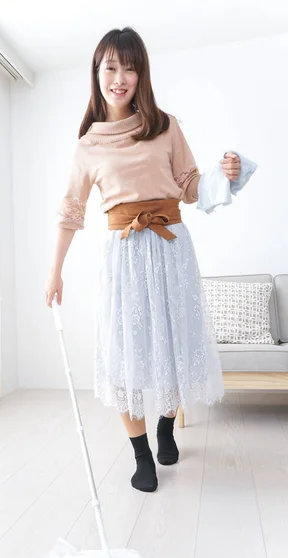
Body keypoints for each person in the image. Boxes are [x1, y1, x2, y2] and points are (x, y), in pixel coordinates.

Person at [45, 27, 241, 493]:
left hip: (172, 246)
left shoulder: (166, 125)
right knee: (125, 356)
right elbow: (70, 212)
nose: (120, 77)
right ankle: (141, 456)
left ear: (141, 74)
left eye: (129, 67)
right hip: (124, 256)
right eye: (110, 67)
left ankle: (167, 429)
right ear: (97, 73)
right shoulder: (87, 145)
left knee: (175, 347)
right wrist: (54, 272)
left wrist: (223, 174)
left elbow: (191, 186)